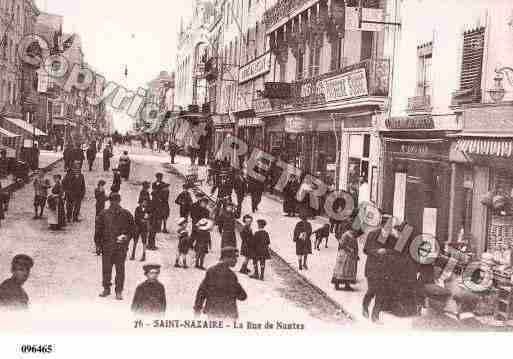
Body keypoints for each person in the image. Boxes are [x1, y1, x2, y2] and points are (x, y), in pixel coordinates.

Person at [96, 193, 135, 300]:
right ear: (109, 201)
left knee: (120, 270)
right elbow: (98, 230)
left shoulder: (126, 214)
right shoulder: (103, 214)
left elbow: (133, 229)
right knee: (106, 269)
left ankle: (119, 291)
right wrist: (98, 245)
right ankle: (106, 289)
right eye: (112, 201)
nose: (114, 203)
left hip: (120, 248)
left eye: (116, 201)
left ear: (119, 201)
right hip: (107, 247)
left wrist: (126, 237)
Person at [193, 247, 247, 320]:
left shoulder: (211, 271)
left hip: (212, 312)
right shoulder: (231, 275)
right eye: (234, 258)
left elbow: (201, 291)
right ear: (226, 258)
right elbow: (242, 296)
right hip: (228, 314)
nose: (236, 261)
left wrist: (197, 308)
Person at [362, 220, 394, 324]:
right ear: (381, 226)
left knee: (381, 293)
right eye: (386, 229)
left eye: (390, 229)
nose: (388, 232)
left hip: (384, 270)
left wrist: (387, 252)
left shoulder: (391, 238)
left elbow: (394, 251)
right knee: (372, 291)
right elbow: (366, 249)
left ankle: (375, 316)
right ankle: (365, 307)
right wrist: (377, 252)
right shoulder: (372, 234)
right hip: (372, 269)